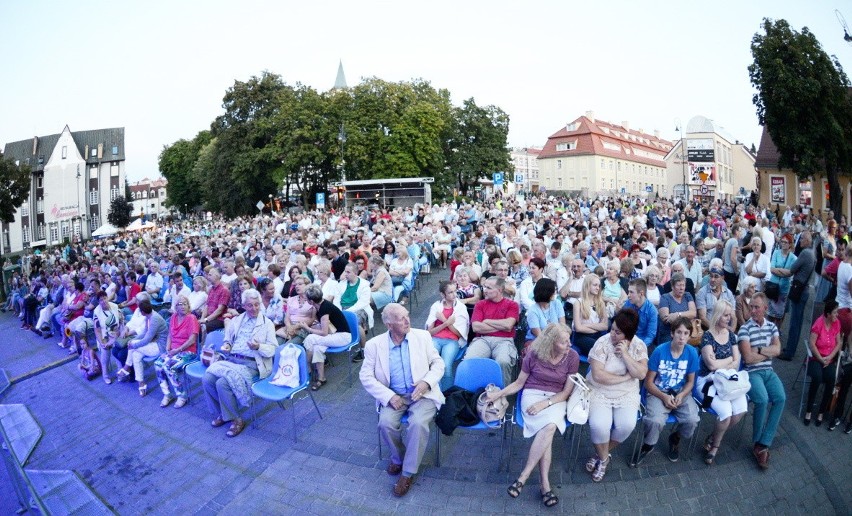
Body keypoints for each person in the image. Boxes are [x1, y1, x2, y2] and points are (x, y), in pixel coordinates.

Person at [359, 303, 445, 498]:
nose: (407, 321)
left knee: (418, 423)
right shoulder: (374, 345)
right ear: (389, 324)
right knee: (386, 423)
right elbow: (365, 377)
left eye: (407, 316)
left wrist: (426, 382)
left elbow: (438, 363)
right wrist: (389, 396)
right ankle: (398, 458)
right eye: (401, 318)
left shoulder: (422, 336)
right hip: (394, 395)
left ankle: (407, 473)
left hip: (421, 394)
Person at [492, 323, 579, 508]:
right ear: (551, 342)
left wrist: (544, 404)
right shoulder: (534, 353)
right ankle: (544, 485)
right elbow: (519, 383)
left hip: (556, 399)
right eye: (564, 342)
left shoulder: (572, 357)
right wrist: (498, 395)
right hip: (532, 393)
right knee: (548, 428)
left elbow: (565, 393)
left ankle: (524, 476)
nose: (569, 345)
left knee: (549, 425)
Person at [585, 308, 648, 482]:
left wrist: (626, 355)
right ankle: (604, 460)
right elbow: (598, 375)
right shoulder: (602, 343)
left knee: (627, 425)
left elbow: (641, 374)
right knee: (599, 425)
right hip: (599, 390)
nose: (612, 334)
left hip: (626, 393)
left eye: (618, 332)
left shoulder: (638, 345)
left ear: (628, 335)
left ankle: (599, 455)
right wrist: (626, 377)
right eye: (612, 329)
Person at [203, 288, 277, 438]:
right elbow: (228, 339)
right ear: (243, 305)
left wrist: (258, 347)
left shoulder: (267, 323)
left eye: (257, 304)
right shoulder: (238, 320)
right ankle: (222, 414)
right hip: (232, 360)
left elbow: (273, 350)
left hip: (251, 364)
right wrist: (227, 345)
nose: (254, 308)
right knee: (207, 378)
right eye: (250, 305)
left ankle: (236, 419)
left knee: (222, 383)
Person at [631, 317, 700, 465]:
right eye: (679, 332)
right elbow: (648, 383)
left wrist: (681, 395)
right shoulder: (659, 351)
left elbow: (690, 382)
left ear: (689, 336)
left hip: (680, 391)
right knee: (655, 420)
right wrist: (663, 397)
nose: (682, 337)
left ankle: (676, 438)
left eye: (686, 333)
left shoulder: (692, 353)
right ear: (672, 333)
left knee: (692, 420)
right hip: (658, 390)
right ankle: (648, 445)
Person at [738, 292, 786, 470]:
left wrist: (757, 349)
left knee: (781, 399)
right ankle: (758, 443)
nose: (752, 310)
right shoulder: (744, 329)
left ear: (765, 308)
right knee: (762, 400)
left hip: (768, 371)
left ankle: (765, 441)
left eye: (756, 307)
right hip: (752, 373)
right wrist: (767, 351)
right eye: (751, 306)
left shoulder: (772, 327)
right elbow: (748, 359)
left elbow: (778, 350)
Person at [695, 300, 746, 465]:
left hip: (727, 380)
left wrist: (722, 362)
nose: (729, 318)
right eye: (726, 315)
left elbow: (737, 363)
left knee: (740, 410)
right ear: (717, 315)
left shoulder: (731, 335)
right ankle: (715, 446)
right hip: (707, 382)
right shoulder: (707, 336)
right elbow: (711, 366)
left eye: (730, 315)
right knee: (725, 413)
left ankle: (713, 436)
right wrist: (730, 359)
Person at [465, 277, 520, 387]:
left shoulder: (512, 305)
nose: (484, 290)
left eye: (488, 288)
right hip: (482, 339)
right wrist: (502, 326)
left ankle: (502, 394)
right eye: (484, 286)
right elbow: (476, 327)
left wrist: (487, 321)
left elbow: (509, 325)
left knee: (503, 361)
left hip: (504, 341)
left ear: (500, 290)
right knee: (470, 359)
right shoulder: (480, 304)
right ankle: (474, 392)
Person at [301, 284, 351, 390]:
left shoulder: (324, 309)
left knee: (310, 338)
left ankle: (307, 369)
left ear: (311, 301)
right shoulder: (319, 306)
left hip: (343, 337)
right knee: (317, 348)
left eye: (307, 299)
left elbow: (324, 333)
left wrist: (307, 328)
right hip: (334, 335)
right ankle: (321, 378)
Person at [116, 300, 169, 397]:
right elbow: (144, 333)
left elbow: (147, 339)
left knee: (133, 346)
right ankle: (141, 383)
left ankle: (127, 367)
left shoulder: (154, 319)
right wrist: (133, 341)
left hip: (160, 347)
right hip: (153, 343)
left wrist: (133, 344)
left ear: (143, 312)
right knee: (135, 355)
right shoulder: (148, 317)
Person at [156, 294, 199, 408]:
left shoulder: (191, 318)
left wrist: (177, 350)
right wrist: (167, 348)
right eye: (180, 304)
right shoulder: (174, 317)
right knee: (158, 364)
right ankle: (167, 394)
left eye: (185, 304)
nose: (183, 306)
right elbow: (170, 334)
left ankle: (182, 395)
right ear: (176, 306)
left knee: (168, 366)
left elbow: (192, 340)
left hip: (188, 352)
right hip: (174, 350)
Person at [804, 300, 843, 426]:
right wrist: (821, 358)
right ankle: (809, 410)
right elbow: (812, 344)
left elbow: (839, 343)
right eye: (835, 313)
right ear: (827, 314)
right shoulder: (818, 324)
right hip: (816, 358)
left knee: (831, 378)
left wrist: (830, 357)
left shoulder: (836, 323)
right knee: (817, 377)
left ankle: (821, 412)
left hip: (829, 359)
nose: (837, 315)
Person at [425, 280, 470, 390]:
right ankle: (431, 390)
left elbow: (459, 333)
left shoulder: (460, 307)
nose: (454, 294)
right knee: (429, 363)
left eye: (455, 291)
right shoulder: (436, 306)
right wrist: (446, 323)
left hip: (452, 341)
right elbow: (429, 332)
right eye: (450, 292)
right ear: (442, 294)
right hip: (435, 339)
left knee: (446, 365)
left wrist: (444, 321)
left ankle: (447, 394)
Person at [779, 230, 815, 361]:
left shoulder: (805, 253)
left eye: (801, 239)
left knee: (794, 323)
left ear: (807, 240)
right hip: (804, 290)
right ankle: (791, 349)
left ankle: (789, 352)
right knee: (797, 323)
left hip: (799, 290)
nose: (800, 241)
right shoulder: (812, 253)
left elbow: (793, 268)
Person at [523, 278, 566, 354]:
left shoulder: (557, 303)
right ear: (546, 292)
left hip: (557, 338)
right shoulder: (533, 310)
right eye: (553, 290)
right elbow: (539, 336)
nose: (555, 293)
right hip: (536, 340)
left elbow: (563, 326)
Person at [573, 274, 609, 356]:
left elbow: (605, 326)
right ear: (587, 286)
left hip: (597, 335)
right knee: (600, 348)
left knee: (609, 347)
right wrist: (597, 327)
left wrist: (587, 325)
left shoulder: (601, 303)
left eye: (599, 286)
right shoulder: (578, 303)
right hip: (581, 337)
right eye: (595, 285)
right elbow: (578, 328)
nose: (598, 288)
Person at [765, 233, 796, 326]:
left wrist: (778, 270)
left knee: (779, 315)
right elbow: (771, 269)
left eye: (786, 242)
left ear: (790, 244)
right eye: (782, 241)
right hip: (773, 287)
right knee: (770, 313)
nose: (783, 244)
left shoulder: (793, 258)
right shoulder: (776, 252)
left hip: (783, 288)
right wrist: (784, 272)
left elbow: (790, 273)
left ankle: (777, 332)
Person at [657, 273, 696, 343]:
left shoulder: (687, 295)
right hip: (669, 334)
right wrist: (687, 315)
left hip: (686, 333)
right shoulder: (665, 297)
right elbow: (666, 319)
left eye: (683, 285)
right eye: (678, 285)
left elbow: (693, 313)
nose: (681, 288)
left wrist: (677, 315)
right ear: (672, 286)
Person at [696, 263, 736, 331]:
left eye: (716, 277)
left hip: (725, 329)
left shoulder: (728, 293)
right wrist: (716, 330)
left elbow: (733, 317)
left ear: (722, 278)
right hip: (709, 329)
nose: (712, 279)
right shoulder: (702, 292)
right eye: (711, 276)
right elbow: (702, 318)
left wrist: (732, 330)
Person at [623, 278, 658, 348]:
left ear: (641, 293)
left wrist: (639, 347)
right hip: (627, 340)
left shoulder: (652, 310)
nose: (628, 295)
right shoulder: (628, 304)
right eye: (628, 292)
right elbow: (622, 325)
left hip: (643, 342)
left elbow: (650, 336)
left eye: (631, 292)